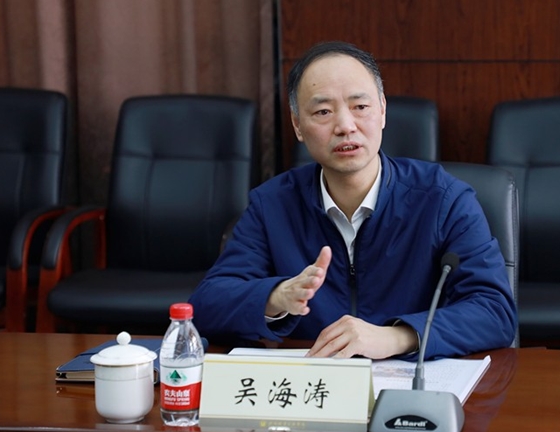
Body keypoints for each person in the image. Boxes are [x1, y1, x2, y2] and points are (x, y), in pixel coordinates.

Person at [189, 41, 516, 360]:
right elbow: (206, 306)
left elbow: (494, 311)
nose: (345, 126)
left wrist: (397, 337)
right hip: (316, 383)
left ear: (382, 111)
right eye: (323, 111)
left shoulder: (444, 199)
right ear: (298, 125)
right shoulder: (272, 204)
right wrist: (276, 297)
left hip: (411, 381)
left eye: (360, 107)